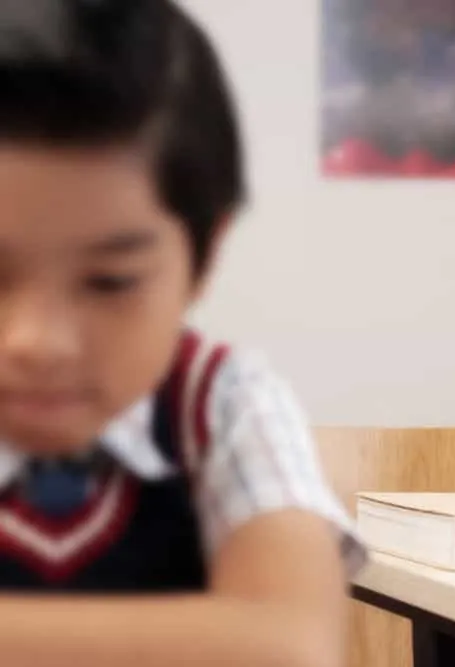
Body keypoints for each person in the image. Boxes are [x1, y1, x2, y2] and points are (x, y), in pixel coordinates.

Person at [0, 1, 361, 665]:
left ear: (204, 257)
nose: (34, 341)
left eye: (109, 281)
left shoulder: (224, 403)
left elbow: (290, 647)